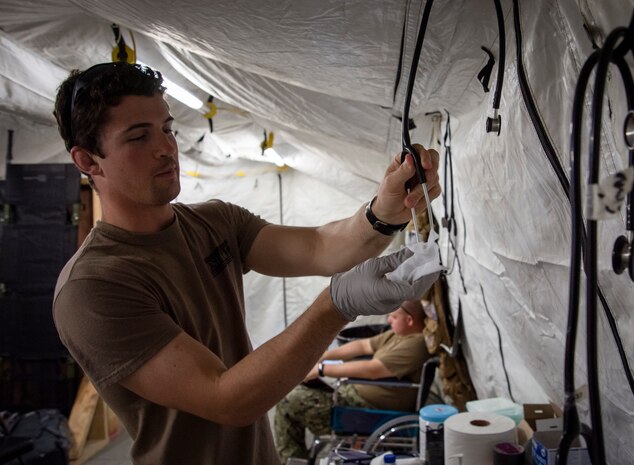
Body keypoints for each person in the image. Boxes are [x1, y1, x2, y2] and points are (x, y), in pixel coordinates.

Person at [50, 62, 441, 465]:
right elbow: (226, 398)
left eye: (166, 129)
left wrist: (386, 209)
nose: (166, 147)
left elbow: (321, 247)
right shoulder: (93, 288)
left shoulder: (214, 222)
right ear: (88, 161)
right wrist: (335, 305)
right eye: (138, 136)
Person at [274, 300, 431, 462]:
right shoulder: (398, 335)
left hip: (365, 409)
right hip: (352, 397)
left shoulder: (416, 344)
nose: (388, 320)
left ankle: (291, 460)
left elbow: (373, 370)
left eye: (393, 317)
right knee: (296, 392)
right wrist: (322, 356)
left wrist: (321, 370)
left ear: (409, 320)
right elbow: (363, 346)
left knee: (289, 402)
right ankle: (294, 459)